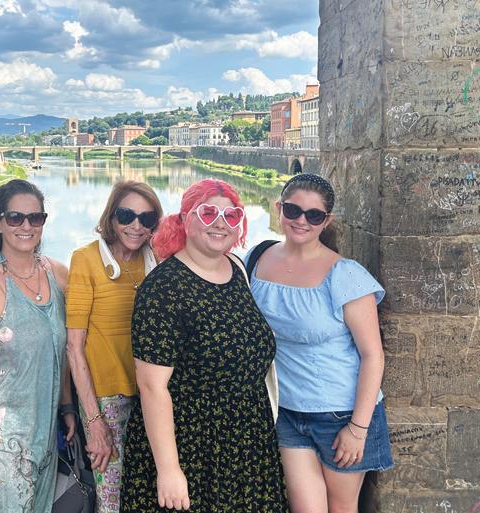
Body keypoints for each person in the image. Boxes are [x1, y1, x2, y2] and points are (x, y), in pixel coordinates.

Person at [120, 179, 288, 513]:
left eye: (231, 215)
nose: (220, 223)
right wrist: (169, 470)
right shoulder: (164, 288)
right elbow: (152, 387)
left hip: (246, 443)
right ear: (184, 219)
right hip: (193, 448)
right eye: (209, 213)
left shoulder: (236, 268)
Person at [246, 173, 392, 513]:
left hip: (341, 414)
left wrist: (357, 428)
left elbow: (372, 355)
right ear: (278, 208)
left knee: (341, 508)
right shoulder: (257, 258)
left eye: (313, 215)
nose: (301, 221)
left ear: (326, 221)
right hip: (286, 409)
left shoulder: (345, 275)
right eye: (293, 210)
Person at [0, 179, 75, 512]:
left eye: (35, 218)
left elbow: (61, 350)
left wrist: (67, 406)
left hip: (44, 443)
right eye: (16, 217)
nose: (26, 226)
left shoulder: (58, 275)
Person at [66, 181, 163, 513]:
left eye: (146, 219)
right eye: (126, 215)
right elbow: (74, 348)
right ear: (111, 217)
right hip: (106, 398)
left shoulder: (156, 261)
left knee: (149, 490)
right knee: (111, 497)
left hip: (152, 394)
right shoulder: (86, 260)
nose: (136, 225)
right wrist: (94, 421)